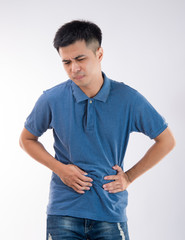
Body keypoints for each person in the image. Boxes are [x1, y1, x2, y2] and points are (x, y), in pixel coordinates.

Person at [19, 20, 175, 240]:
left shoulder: (128, 99)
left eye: (80, 58)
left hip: (110, 213)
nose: (74, 68)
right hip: (64, 212)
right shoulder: (51, 99)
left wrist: (129, 177)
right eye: (66, 62)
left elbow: (166, 140)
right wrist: (60, 169)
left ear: (99, 54)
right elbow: (26, 139)